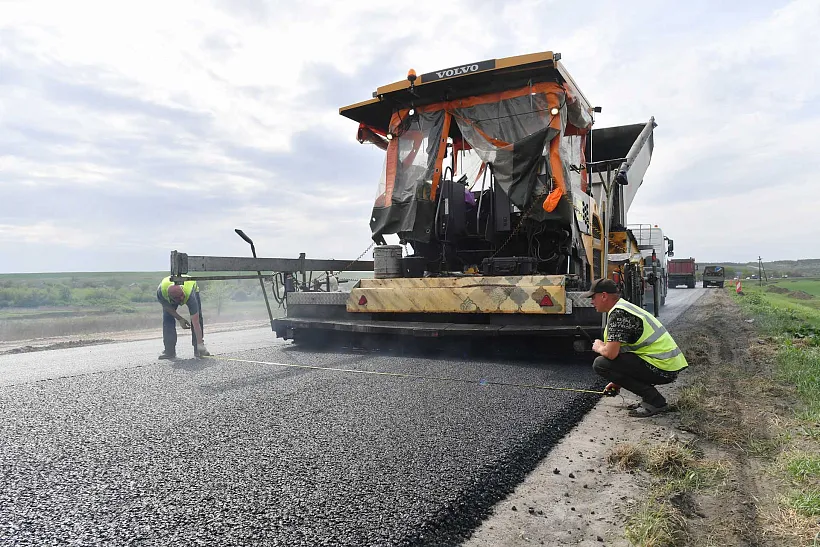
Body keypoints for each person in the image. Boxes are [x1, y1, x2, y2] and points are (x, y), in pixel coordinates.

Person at [584, 278, 688, 417]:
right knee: (606, 361)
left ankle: (655, 401)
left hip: (662, 368)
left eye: (593, 297)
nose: (591, 302)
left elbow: (611, 354)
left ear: (604, 296)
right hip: (664, 365)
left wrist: (598, 346)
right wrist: (617, 382)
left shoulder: (619, 314)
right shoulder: (623, 309)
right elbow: (625, 353)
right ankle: (649, 399)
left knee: (600, 364)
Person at [156, 276, 210, 359]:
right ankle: (169, 352)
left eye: (182, 295)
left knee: (197, 318)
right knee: (167, 319)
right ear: (170, 298)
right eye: (178, 298)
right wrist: (180, 319)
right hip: (167, 294)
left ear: (182, 291)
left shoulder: (189, 294)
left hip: (191, 286)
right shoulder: (161, 293)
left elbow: (195, 321)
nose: (181, 298)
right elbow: (168, 308)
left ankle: (199, 350)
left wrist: (200, 344)